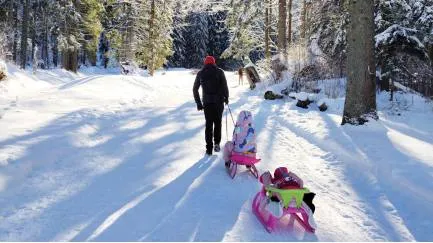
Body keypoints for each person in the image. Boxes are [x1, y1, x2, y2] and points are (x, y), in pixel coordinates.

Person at [193, 56, 229, 155]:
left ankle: (209, 148)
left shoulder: (201, 73)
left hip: (207, 103)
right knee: (218, 123)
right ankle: (217, 143)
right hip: (218, 102)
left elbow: (195, 89)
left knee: (208, 125)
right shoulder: (220, 72)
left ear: (205, 63)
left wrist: (199, 103)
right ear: (213, 62)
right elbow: (224, 86)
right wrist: (226, 98)